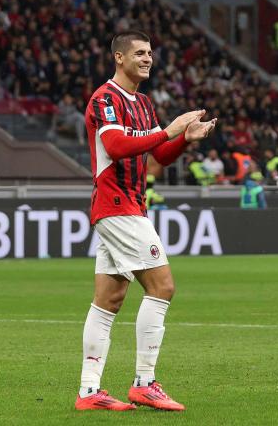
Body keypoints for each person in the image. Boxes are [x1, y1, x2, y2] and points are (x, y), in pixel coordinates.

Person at [77, 30, 216, 412]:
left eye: (150, 53)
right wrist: (167, 130)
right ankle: (144, 382)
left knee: (109, 299)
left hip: (129, 205)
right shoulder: (105, 99)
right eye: (139, 53)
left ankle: (89, 392)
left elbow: (156, 158)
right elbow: (117, 147)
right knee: (163, 286)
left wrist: (185, 138)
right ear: (118, 58)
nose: (147, 58)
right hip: (116, 203)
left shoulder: (142, 103)